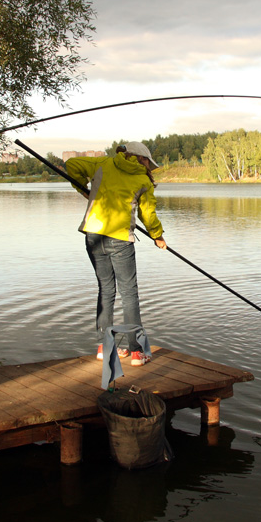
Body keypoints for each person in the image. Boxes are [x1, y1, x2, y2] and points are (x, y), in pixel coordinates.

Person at [65, 141, 167, 366]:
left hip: (92, 235)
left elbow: (72, 164)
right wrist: (157, 236)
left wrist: (84, 188)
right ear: (140, 159)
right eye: (148, 162)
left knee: (106, 290)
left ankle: (104, 348)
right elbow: (147, 216)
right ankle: (137, 353)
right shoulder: (142, 180)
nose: (149, 167)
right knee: (129, 294)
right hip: (120, 239)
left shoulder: (103, 163)